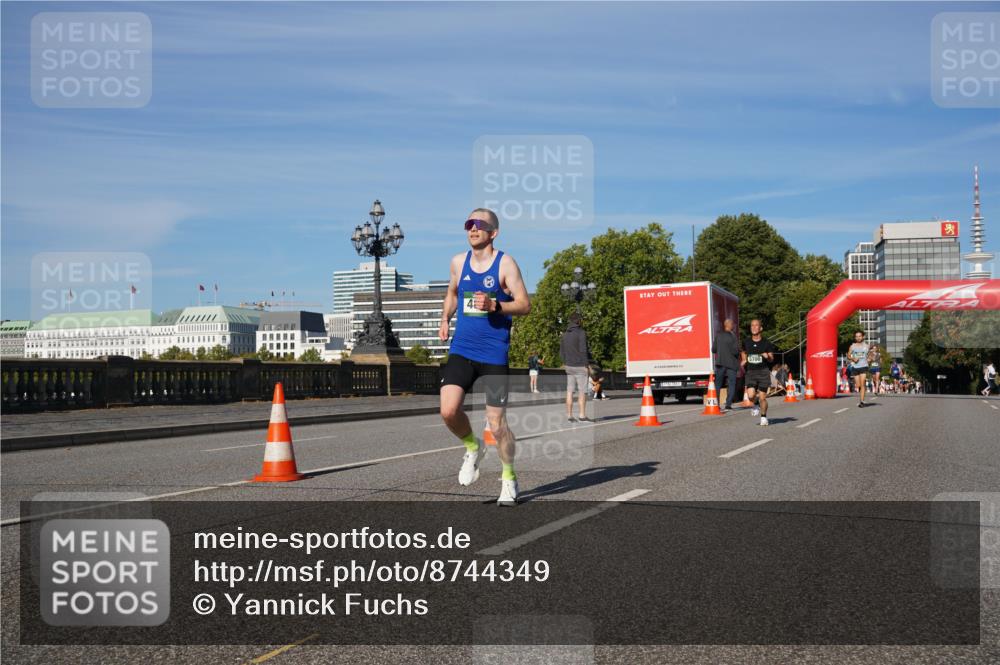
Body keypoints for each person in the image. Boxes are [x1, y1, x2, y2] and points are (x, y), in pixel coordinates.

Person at [438, 208, 530, 507]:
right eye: (468, 224)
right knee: (448, 411)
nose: (472, 229)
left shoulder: (505, 263)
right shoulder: (457, 262)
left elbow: (524, 305)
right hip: (462, 348)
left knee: (497, 424)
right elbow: (452, 293)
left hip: (493, 352)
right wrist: (444, 318)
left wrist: (496, 306)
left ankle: (508, 477)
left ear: (494, 232)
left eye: (479, 224)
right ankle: (472, 447)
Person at [741, 319, 776, 426]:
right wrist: (744, 360)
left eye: (756, 325)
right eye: (752, 325)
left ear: (761, 328)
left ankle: (764, 417)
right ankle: (755, 404)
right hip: (751, 372)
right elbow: (743, 352)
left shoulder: (766, 343)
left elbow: (771, 359)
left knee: (762, 397)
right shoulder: (746, 342)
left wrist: (768, 356)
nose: (754, 327)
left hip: (763, 372)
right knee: (751, 395)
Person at [560, 312, 591, 422]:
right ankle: (582, 415)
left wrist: (565, 362)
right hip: (580, 365)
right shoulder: (581, 333)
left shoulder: (565, 334)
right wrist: (587, 365)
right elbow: (583, 350)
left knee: (569, 391)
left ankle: (569, 415)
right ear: (579, 321)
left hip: (569, 366)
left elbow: (561, 352)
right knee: (582, 391)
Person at [711, 318, 740, 410]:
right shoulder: (733, 336)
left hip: (720, 363)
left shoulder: (718, 336)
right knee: (731, 384)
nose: (733, 326)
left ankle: (716, 404)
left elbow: (713, 350)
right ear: (729, 325)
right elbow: (735, 351)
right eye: (732, 324)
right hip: (731, 364)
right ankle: (728, 404)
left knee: (718, 384)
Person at [847, 331, 871, 407]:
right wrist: (853, 359)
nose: (858, 338)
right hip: (855, 367)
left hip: (864, 366)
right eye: (856, 336)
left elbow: (869, 355)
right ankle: (862, 392)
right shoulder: (852, 346)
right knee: (858, 385)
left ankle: (862, 401)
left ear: (863, 337)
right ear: (855, 338)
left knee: (862, 382)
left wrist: (870, 359)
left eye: (860, 336)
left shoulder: (867, 346)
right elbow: (848, 355)